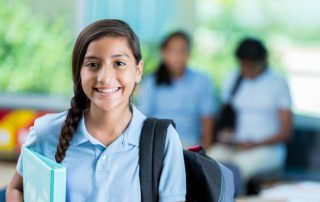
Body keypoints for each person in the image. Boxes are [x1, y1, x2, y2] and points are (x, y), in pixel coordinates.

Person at [6, 19, 186, 202]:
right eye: (93, 64)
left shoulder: (163, 140)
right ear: (79, 72)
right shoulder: (46, 132)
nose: (105, 78)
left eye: (119, 63)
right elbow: (16, 189)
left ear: (138, 70)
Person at [207, 37, 292, 180]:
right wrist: (226, 134)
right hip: (235, 146)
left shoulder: (277, 83)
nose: (247, 70)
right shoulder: (233, 78)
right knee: (207, 160)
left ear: (263, 60)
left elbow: (286, 132)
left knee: (236, 168)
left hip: (266, 149)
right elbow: (226, 115)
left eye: (252, 66)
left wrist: (255, 144)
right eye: (243, 65)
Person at [136, 31, 216, 149]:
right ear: (164, 53)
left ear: (189, 53)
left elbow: (207, 119)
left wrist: (207, 153)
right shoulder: (151, 81)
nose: (177, 55)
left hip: (189, 143)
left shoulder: (201, 80)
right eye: (173, 50)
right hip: (158, 141)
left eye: (182, 50)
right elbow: (143, 117)